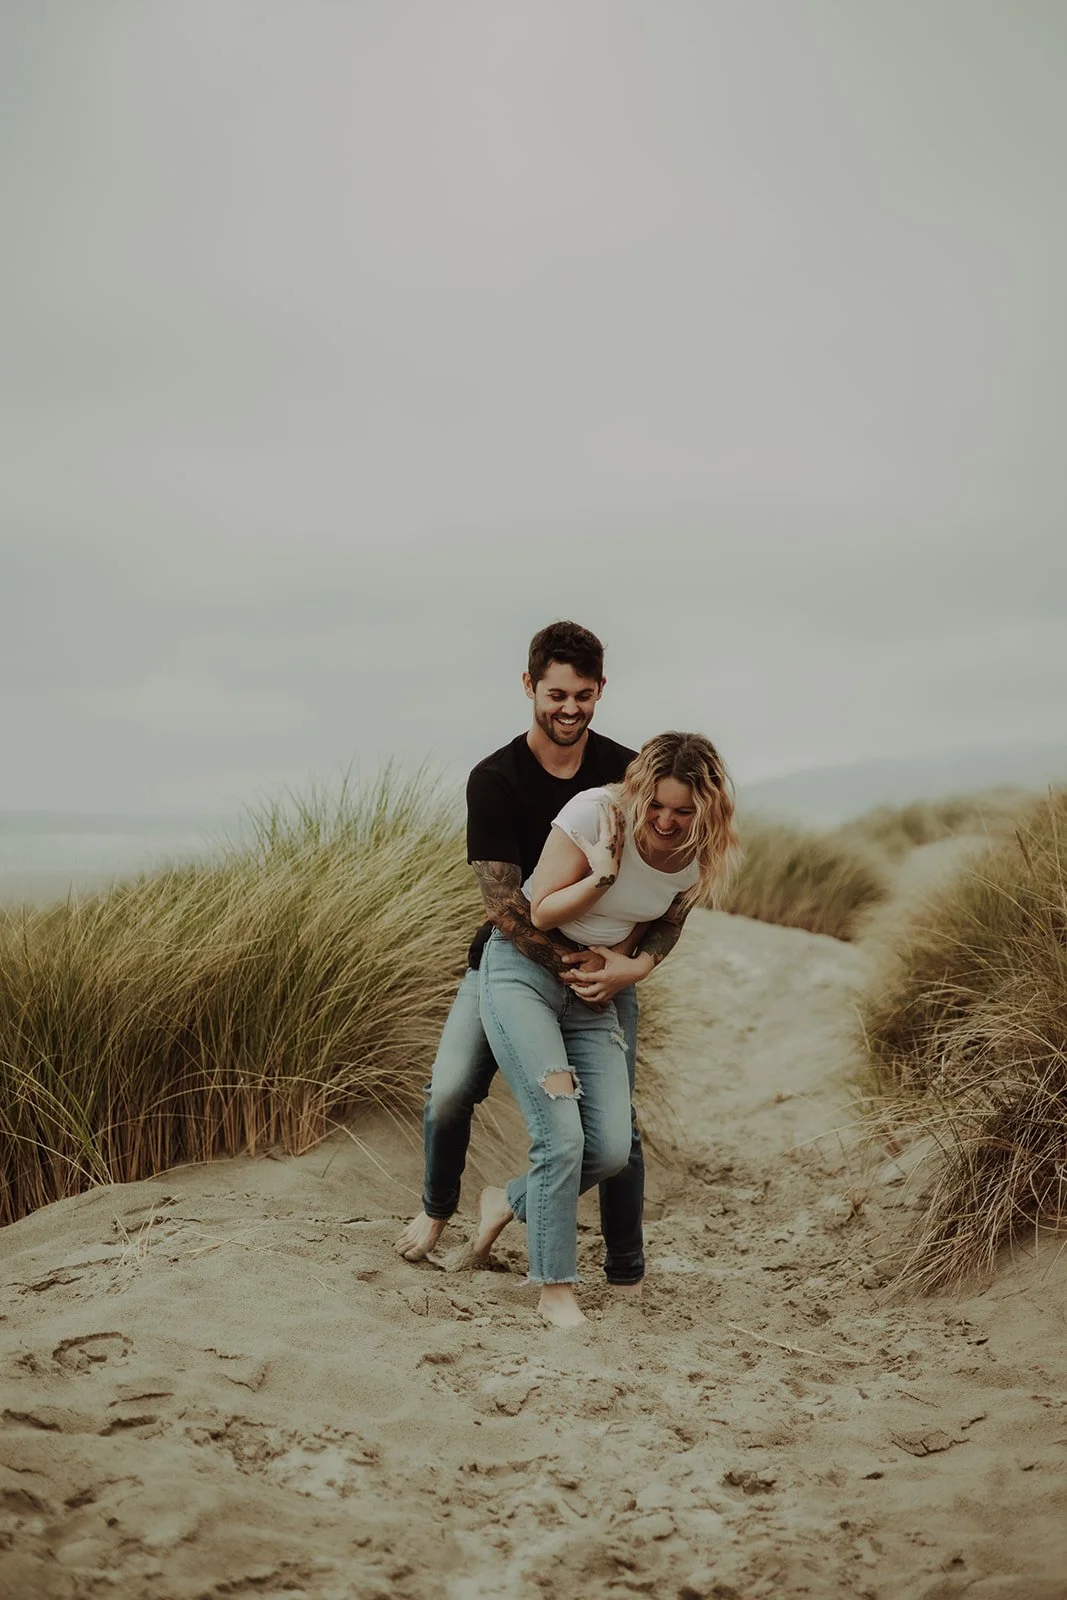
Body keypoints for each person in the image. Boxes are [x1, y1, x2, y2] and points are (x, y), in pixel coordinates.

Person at [394, 622, 690, 1290]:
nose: (569, 708)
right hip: (509, 962)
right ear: (529, 686)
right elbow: (504, 908)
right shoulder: (495, 780)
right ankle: (438, 1210)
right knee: (447, 1093)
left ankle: (623, 1267)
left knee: (620, 1126)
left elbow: (668, 887)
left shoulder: (628, 773)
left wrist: (627, 965)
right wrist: (576, 967)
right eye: (556, 692)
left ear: (600, 691)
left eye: (583, 694)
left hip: (605, 969)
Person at [472, 731, 738, 1326]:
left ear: (706, 810)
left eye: (683, 811)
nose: (666, 821)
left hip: (599, 990)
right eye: (657, 805)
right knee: (561, 1135)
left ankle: (505, 1202)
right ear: (639, 790)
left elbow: (668, 921)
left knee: (612, 1147)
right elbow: (537, 911)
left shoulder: (702, 848)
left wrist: (633, 967)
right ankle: (556, 1287)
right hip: (526, 973)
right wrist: (602, 875)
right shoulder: (596, 814)